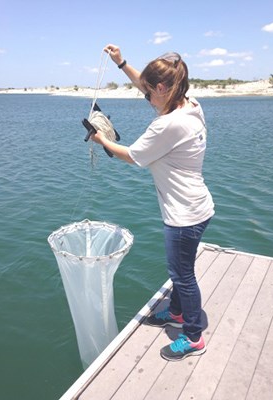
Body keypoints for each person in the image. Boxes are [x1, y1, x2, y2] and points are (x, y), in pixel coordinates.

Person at [91, 44, 215, 361]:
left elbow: (132, 156)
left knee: (182, 275)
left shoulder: (167, 125)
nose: (146, 97)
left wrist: (101, 138)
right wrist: (122, 63)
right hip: (198, 207)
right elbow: (148, 86)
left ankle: (193, 337)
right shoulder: (190, 105)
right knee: (181, 271)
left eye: (149, 93)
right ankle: (175, 313)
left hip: (184, 216)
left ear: (162, 88)